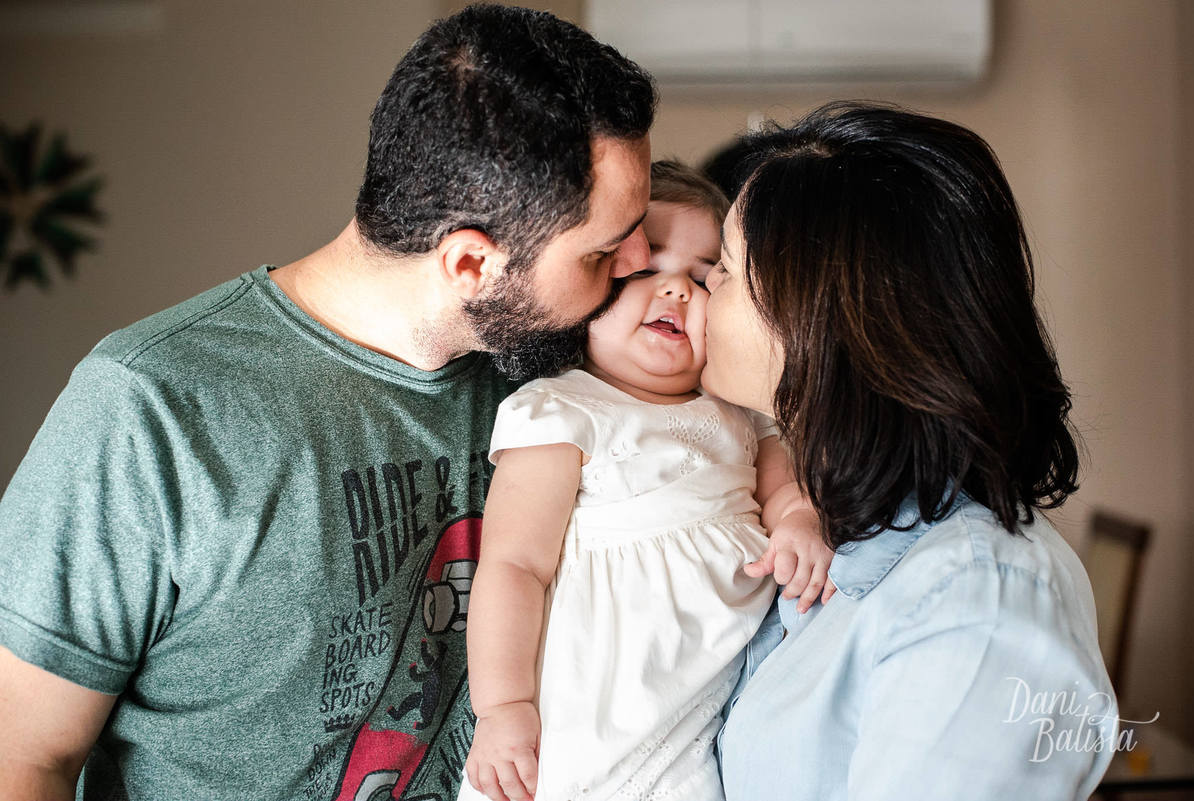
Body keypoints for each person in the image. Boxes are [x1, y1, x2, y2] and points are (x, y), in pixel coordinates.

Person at [0, 6, 657, 800]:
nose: (639, 262)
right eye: (602, 249)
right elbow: (23, 757)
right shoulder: (149, 408)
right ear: (470, 262)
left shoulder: (554, 383)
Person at [702, 102, 1118, 800]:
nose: (696, 288)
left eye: (722, 267)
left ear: (816, 320)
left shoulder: (978, 604)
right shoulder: (825, 537)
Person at [458, 161, 834, 801]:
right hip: (577, 722)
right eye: (648, 267)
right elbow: (513, 566)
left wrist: (799, 520)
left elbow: (784, 491)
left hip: (688, 728)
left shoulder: (741, 413)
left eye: (703, 277)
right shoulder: (562, 412)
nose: (678, 291)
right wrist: (502, 707)